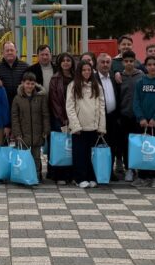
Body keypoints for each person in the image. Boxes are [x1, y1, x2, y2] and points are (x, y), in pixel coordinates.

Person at [65, 60, 106, 189]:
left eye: (89, 70)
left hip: (93, 126)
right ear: (79, 71)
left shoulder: (96, 85)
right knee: (79, 154)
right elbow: (70, 107)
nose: (86, 72)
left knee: (90, 154)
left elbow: (101, 106)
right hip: (79, 127)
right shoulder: (73, 85)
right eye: (84, 70)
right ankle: (79, 178)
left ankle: (91, 176)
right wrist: (75, 125)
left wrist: (101, 126)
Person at [132, 55, 155, 188]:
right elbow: (136, 102)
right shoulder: (140, 82)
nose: (152, 67)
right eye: (149, 64)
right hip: (142, 123)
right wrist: (141, 118)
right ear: (145, 66)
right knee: (143, 151)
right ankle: (142, 176)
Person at [11, 71, 50, 179]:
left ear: (35, 84)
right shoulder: (17, 98)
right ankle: (23, 175)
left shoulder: (40, 98)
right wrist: (17, 133)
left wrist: (46, 130)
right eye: (27, 83)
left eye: (32, 84)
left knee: (36, 156)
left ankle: (36, 175)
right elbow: (15, 117)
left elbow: (45, 114)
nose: (30, 86)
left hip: (38, 133)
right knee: (23, 156)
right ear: (23, 83)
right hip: (23, 134)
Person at [48, 53, 76, 183]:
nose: (66, 63)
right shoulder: (55, 79)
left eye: (68, 60)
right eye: (63, 61)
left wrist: (73, 117)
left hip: (76, 117)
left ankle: (71, 174)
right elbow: (54, 100)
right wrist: (63, 117)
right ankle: (59, 175)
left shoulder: (77, 77)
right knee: (60, 147)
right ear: (59, 63)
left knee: (73, 147)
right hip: (60, 118)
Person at [95, 53, 123, 177]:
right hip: (98, 118)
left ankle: (109, 172)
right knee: (98, 145)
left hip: (113, 117)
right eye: (102, 62)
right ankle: (97, 171)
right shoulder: (93, 78)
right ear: (97, 64)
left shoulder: (114, 77)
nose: (105, 64)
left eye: (107, 62)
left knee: (112, 145)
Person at [117, 50, 144, 182]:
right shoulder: (119, 77)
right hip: (124, 115)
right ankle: (129, 169)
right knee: (126, 144)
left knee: (138, 144)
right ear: (122, 62)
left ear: (135, 61)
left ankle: (139, 168)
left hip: (138, 116)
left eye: (131, 61)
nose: (128, 64)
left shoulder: (141, 76)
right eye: (126, 61)